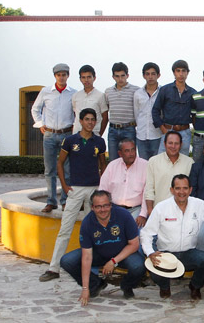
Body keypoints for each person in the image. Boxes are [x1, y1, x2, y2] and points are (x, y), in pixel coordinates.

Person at [39, 108, 107, 282]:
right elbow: (60, 163)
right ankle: (54, 268)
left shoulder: (99, 142)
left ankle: (95, 267)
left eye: (93, 119)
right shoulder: (70, 140)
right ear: (81, 120)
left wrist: (102, 187)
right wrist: (64, 185)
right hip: (75, 189)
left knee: (95, 230)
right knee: (65, 228)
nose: (90, 122)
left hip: (93, 190)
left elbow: (103, 165)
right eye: (87, 119)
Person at [141, 174, 204, 299]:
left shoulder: (199, 205)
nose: (181, 192)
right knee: (154, 267)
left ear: (190, 189)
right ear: (172, 190)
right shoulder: (161, 208)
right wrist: (150, 252)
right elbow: (146, 233)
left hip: (189, 253)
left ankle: (195, 286)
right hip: (166, 254)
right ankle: (164, 287)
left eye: (185, 188)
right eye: (178, 188)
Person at [60, 190, 145, 305]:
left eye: (106, 205)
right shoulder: (87, 223)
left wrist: (113, 261)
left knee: (138, 266)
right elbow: (86, 256)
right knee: (67, 261)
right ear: (92, 208)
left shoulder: (124, 216)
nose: (103, 210)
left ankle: (126, 286)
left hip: (122, 254)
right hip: (98, 253)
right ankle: (95, 284)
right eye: (98, 207)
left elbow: (134, 245)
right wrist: (85, 288)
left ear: (111, 205)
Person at [31, 63, 76, 212]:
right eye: (59, 75)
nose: (61, 77)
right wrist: (40, 124)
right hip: (49, 135)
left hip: (66, 134)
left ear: (68, 76)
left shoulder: (73, 93)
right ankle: (51, 201)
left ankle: (65, 200)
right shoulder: (45, 92)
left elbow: (77, 113)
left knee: (67, 169)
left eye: (64, 75)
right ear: (55, 76)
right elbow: (35, 109)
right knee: (49, 169)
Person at [99, 138, 149, 226]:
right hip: (114, 209)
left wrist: (143, 215)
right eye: (127, 151)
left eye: (133, 150)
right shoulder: (112, 165)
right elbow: (102, 190)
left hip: (136, 209)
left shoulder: (146, 165)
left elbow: (148, 193)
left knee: (136, 233)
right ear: (120, 153)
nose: (131, 154)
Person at [144, 131, 194, 217]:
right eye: (170, 143)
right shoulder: (153, 161)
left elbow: (191, 191)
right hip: (159, 212)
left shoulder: (189, 163)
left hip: (182, 212)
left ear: (181, 144)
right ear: (164, 144)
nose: (173, 146)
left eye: (176, 143)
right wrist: (150, 211)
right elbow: (149, 189)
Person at [153, 59, 197, 156]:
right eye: (178, 71)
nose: (181, 74)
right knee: (162, 161)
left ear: (187, 73)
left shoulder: (193, 93)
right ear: (174, 72)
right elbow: (155, 110)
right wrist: (163, 129)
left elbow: (196, 113)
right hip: (168, 130)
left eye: (183, 71)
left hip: (185, 132)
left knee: (182, 162)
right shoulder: (165, 90)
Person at [105, 62, 140, 162]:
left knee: (130, 159)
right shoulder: (108, 91)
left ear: (127, 75)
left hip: (129, 128)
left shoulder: (135, 90)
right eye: (117, 76)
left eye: (122, 76)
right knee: (113, 160)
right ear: (113, 77)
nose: (120, 79)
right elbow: (107, 108)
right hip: (113, 130)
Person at [133, 62, 162, 160]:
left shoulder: (163, 92)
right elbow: (137, 113)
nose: (150, 77)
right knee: (143, 166)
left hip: (157, 135)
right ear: (143, 75)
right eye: (147, 74)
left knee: (157, 165)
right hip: (141, 136)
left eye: (153, 74)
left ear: (158, 75)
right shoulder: (138, 94)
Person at [71, 64, 108, 136]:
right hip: (77, 134)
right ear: (80, 79)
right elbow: (75, 114)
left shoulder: (100, 96)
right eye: (83, 77)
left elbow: (105, 117)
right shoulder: (76, 96)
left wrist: (99, 134)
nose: (86, 80)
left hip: (94, 134)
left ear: (94, 78)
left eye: (89, 77)